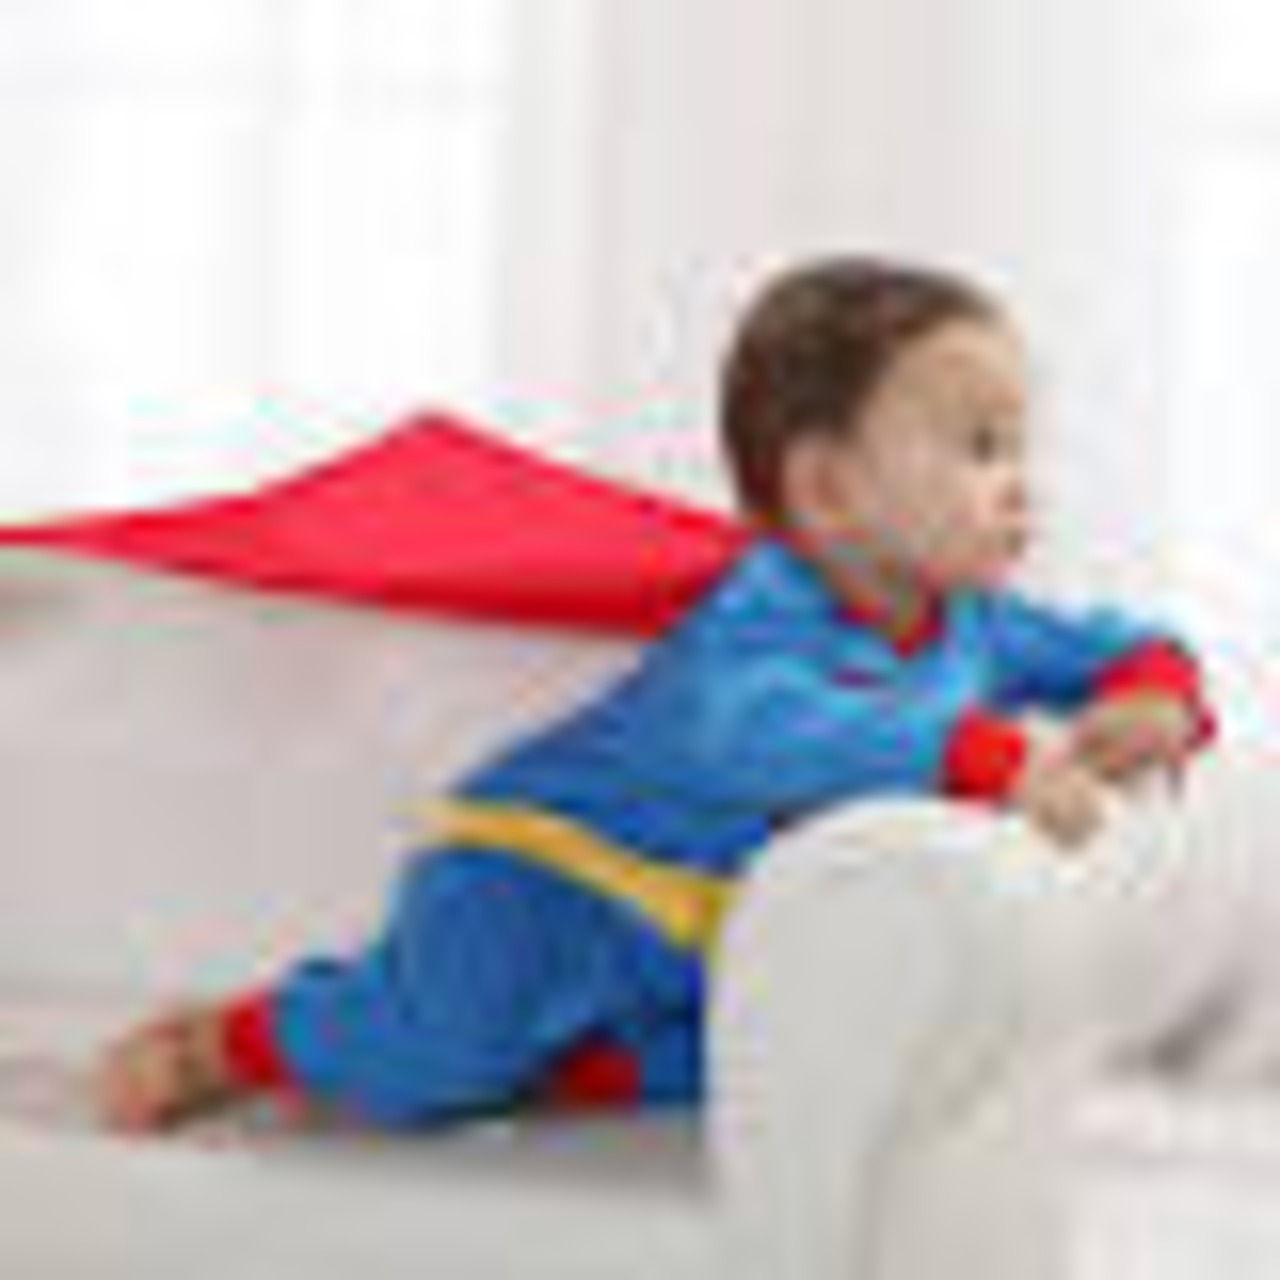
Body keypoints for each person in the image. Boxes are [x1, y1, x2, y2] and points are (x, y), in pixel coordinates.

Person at [93, 256, 1217, 1133]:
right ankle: (232, 1042)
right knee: (430, 1056)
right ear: (827, 487)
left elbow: (1124, 643)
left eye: (1021, 446)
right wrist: (990, 758)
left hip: (696, 935)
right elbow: (763, 736)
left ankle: (557, 1063)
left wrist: (1155, 694)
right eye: (980, 447)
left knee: (765, 1062)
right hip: (548, 871)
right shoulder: (759, 610)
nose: (1022, 485)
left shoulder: (976, 624)